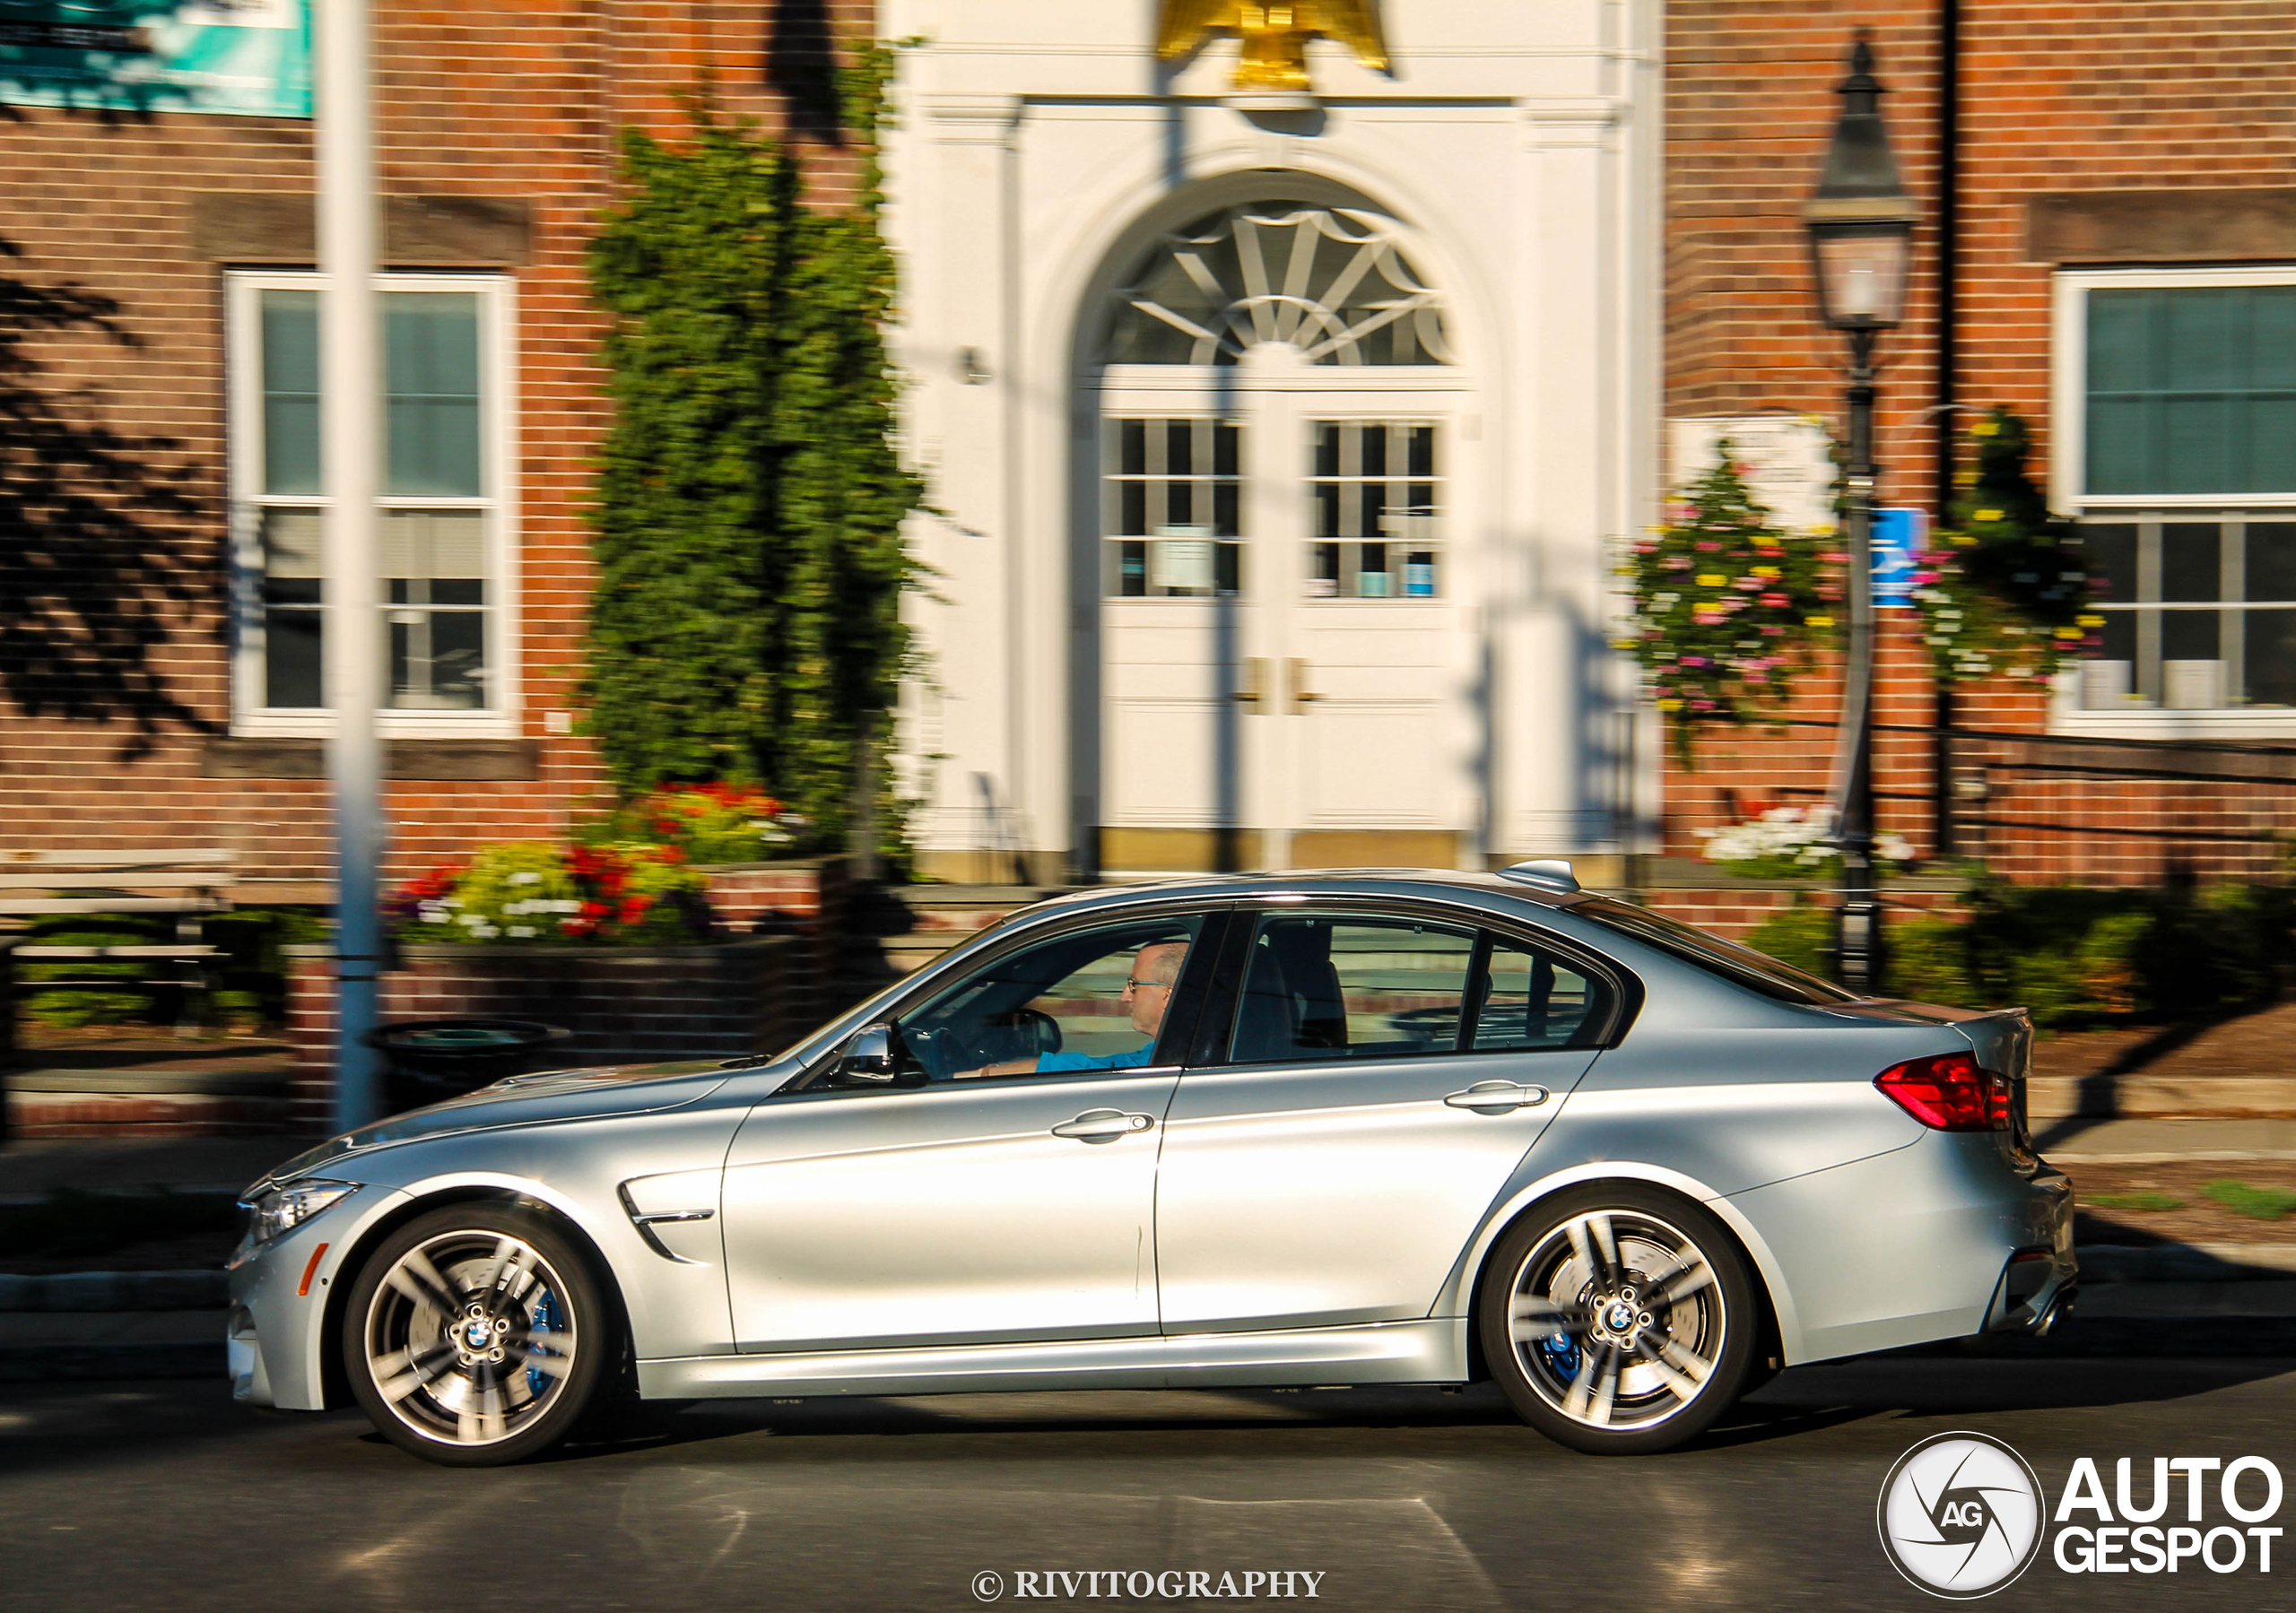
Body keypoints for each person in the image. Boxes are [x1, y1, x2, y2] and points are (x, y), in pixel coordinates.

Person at [954, 940, 1187, 1078]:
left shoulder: (1182, 1053)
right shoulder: (1175, 1049)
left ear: (1168, 995)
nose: (1124, 997)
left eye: (1133, 985)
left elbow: (1094, 1070)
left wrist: (975, 1076)